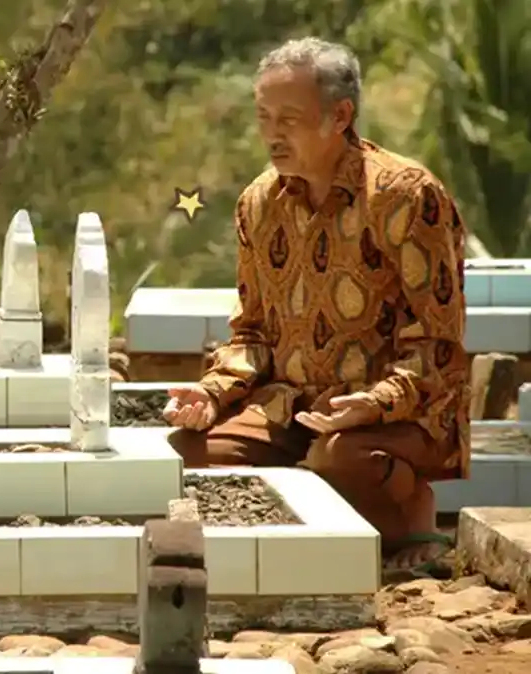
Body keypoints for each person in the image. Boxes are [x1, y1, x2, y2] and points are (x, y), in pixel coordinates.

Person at [166, 38, 468, 577]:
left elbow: (439, 344)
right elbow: (252, 332)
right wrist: (210, 395)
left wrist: (373, 403)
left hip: (397, 413)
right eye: (263, 117)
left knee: (339, 456)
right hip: (292, 408)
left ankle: (410, 509)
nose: (271, 133)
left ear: (340, 116)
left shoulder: (404, 194)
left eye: (289, 119)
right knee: (185, 453)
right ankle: (318, 501)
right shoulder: (258, 203)